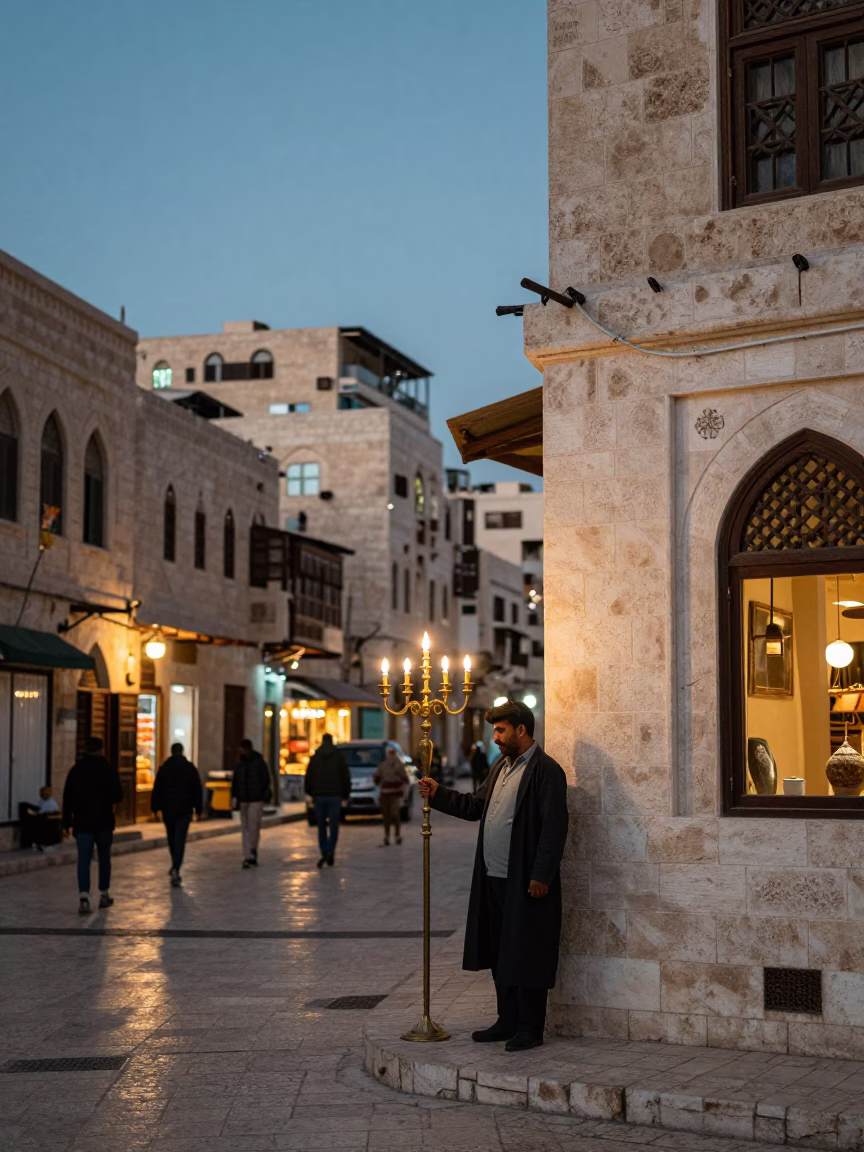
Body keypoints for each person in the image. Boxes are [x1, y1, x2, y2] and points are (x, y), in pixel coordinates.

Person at [418, 701, 567, 1053]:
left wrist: (541, 874)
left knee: (527, 952)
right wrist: (438, 794)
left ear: (521, 730)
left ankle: (530, 1027)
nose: (495, 737)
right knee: (502, 950)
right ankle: (507, 1019)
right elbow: (475, 806)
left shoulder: (547, 771)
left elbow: (554, 828)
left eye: (500, 730)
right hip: (493, 876)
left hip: (526, 881)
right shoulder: (500, 766)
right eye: (494, 730)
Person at [62, 737, 124, 915]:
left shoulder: (76, 770)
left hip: (82, 823)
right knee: (104, 858)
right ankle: (104, 895)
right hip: (104, 822)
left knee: (84, 860)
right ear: (101, 749)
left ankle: (84, 897)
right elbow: (118, 795)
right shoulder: (109, 769)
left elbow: (68, 799)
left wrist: (67, 822)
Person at [151, 742, 203, 886]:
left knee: (172, 838)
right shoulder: (190, 768)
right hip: (184, 809)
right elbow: (197, 790)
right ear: (182, 751)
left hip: (168, 809)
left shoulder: (165, 768)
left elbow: (157, 788)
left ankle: (175, 865)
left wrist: (155, 807)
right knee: (180, 839)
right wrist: (198, 810)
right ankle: (176, 867)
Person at [304, 733, 351, 868]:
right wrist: (346, 794)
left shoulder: (315, 757)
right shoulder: (339, 757)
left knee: (321, 826)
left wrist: (309, 792)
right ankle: (330, 850)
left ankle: (324, 851)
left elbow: (309, 776)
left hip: (319, 796)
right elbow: (345, 776)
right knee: (334, 826)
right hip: (335, 796)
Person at [231, 739, 272, 869]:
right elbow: (235, 781)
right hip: (244, 799)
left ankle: (252, 851)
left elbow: (266, 780)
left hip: (256, 799)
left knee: (253, 827)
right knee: (245, 828)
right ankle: (248, 855)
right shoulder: (240, 763)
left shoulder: (259, 762)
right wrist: (234, 797)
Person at [374, 747, 409, 847]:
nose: (391, 756)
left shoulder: (399, 766)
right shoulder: (383, 765)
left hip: (395, 794)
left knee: (395, 814)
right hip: (385, 794)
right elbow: (377, 778)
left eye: (393, 753)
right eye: (390, 753)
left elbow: (406, 778)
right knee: (386, 816)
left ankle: (397, 835)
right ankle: (387, 836)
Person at [18, 786, 62, 851]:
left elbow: (43, 813)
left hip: (48, 822)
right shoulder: (43, 801)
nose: (41, 795)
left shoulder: (50, 803)